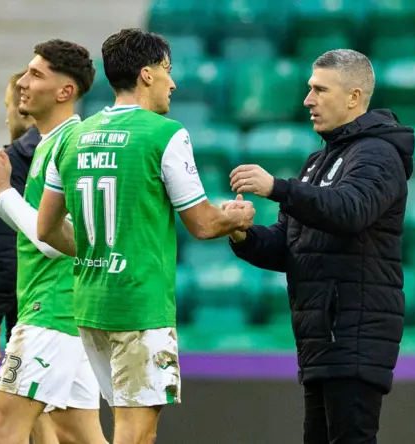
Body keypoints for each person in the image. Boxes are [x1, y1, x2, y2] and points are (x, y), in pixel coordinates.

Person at [36, 28, 255, 444]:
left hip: (90, 307)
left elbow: (45, 229)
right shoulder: (164, 133)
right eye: (167, 70)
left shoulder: (72, 138)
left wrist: (96, 252)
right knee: (136, 435)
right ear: (146, 74)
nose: (173, 82)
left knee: (128, 429)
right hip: (139, 308)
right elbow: (203, 224)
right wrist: (237, 216)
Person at [226, 49, 415, 444]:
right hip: (322, 339)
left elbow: (350, 211)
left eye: (319, 90)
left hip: (355, 334)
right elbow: (290, 246)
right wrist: (242, 233)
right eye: (309, 89)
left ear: (354, 96)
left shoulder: (378, 154)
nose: (307, 100)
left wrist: (278, 188)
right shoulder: (318, 160)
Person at [0, 40, 106, 444]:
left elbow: (55, 241)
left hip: (53, 310)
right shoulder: (50, 142)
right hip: (64, 310)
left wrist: (1, 190)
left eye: (36, 74)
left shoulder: (71, 145)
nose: (22, 84)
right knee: (75, 433)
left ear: (65, 91)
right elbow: (37, 225)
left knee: (2, 429)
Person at [0, 70, 62, 444]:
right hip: (74, 306)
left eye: (10, 105)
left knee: (6, 427)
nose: (9, 114)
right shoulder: (72, 148)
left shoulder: (10, 162)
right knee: (70, 426)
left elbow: (4, 246)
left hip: (37, 309)